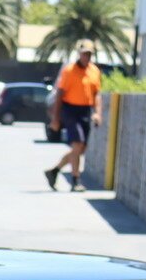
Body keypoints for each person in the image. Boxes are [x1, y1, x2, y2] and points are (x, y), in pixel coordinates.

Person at [44, 40, 103, 192]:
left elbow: (96, 94)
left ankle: (54, 171)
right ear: (79, 54)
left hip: (85, 111)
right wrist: (56, 119)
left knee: (81, 149)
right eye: (84, 54)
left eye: (89, 54)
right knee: (77, 144)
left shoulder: (94, 71)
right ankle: (75, 181)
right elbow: (59, 96)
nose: (86, 57)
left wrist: (97, 113)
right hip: (69, 110)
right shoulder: (69, 71)